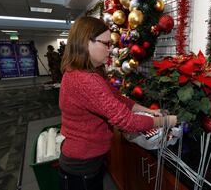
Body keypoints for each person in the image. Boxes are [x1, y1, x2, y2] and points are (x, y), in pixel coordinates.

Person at [58, 16, 177, 190]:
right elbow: (127, 122)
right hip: (82, 165)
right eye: (106, 44)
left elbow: (118, 98)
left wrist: (150, 112)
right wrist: (165, 121)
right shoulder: (85, 80)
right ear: (86, 42)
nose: (109, 50)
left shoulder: (82, 73)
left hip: (83, 160)